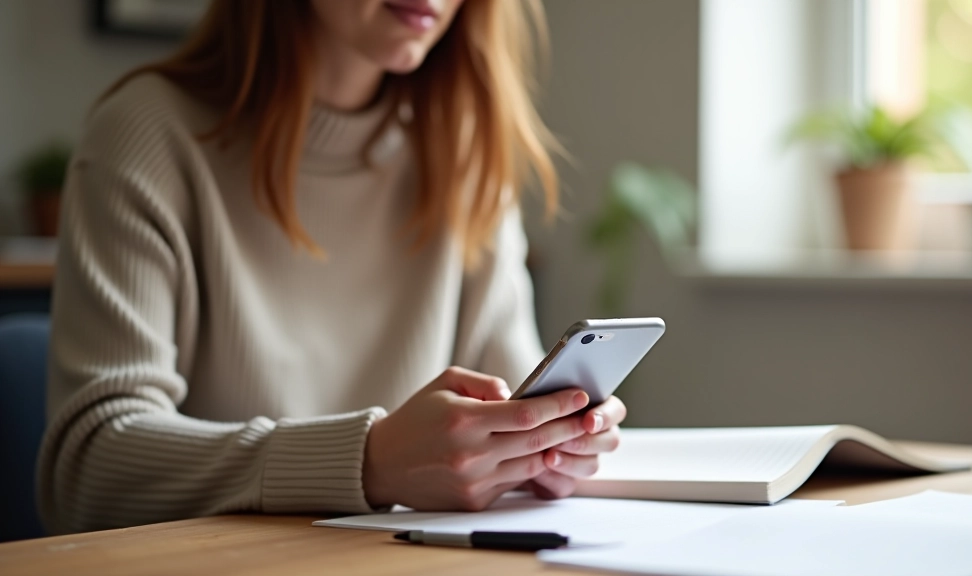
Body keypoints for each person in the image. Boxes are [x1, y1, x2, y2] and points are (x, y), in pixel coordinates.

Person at [38, 0, 626, 534]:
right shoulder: (146, 137)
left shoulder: (461, 153)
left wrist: (552, 445)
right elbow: (88, 467)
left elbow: (512, 400)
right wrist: (368, 461)